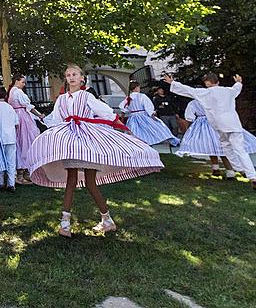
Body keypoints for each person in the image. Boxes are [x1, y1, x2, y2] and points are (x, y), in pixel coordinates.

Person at [29, 64, 163, 237]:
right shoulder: (61, 99)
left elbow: (105, 112)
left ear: (82, 78)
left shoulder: (86, 96)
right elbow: (55, 119)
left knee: (90, 182)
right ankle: (68, 223)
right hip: (71, 142)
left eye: (75, 74)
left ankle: (103, 221)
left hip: (86, 140)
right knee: (71, 178)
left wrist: (120, 124)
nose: (71, 77)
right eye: (68, 75)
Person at [164, 72, 256, 191]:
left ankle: (240, 169)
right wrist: (239, 82)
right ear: (218, 82)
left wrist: (173, 83)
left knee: (226, 148)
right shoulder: (228, 91)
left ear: (206, 83)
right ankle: (252, 177)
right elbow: (237, 88)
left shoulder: (205, 92)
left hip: (219, 125)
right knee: (240, 150)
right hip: (233, 124)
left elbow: (188, 90)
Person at [118, 81, 179, 147]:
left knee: (135, 131)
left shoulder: (128, 98)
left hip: (133, 117)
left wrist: (123, 118)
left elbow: (123, 108)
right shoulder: (142, 96)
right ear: (136, 88)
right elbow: (148, 106)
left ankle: (137, 143)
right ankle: (165, 139)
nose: (139, 88)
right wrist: (152, 114)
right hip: (143, 116)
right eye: (138, 87)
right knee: (156, 128)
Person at [8, 74, 43, 185]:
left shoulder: (12, 91)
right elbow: (29, 106)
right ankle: (21, 173)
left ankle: (26, 171)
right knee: (26, 142)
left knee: (22, 143)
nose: (24, 84)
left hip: (18, 116)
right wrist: (39, 115)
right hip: (22, 118)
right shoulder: (18, 92)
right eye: (22, 82)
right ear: (17, 81)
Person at [0, 86, 20, 192]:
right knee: (11, 161)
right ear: (6, 96)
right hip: (11, 137)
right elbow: (17, 123)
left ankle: (0, 182)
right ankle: (11, 183)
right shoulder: (10, 107)